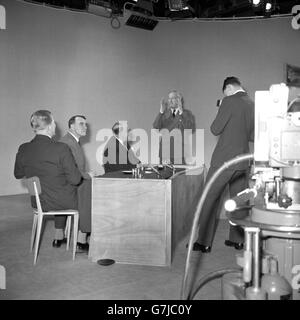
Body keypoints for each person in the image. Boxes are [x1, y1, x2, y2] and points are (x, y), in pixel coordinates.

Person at [193, 76, 254, 253]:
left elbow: (215, 128)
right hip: (243, 161)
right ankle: (238, 240)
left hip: (224, 161)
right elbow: (251, 136)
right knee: (239, 201)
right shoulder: (251, 103)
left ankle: (204, 242)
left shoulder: (228, 101)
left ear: (228, 88)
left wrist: (221, 108)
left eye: (225, 92)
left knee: (209, 199)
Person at [14, 110, 82, 248]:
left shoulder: (23, 148)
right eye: (54, 123)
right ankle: (83, 239)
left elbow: (18, 174)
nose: (55, 126)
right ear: (50, 126)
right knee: (87, 193)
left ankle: (60, 235)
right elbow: (75, 180)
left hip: (39, 202)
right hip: (62, 201)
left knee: (62, 188)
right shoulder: (61, 148)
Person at [60, 115, 92, 252]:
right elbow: (70, 169)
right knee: (90, 190)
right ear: (72, 126)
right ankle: (82, 238)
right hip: (68, 187)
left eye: (85, 124)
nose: (85, 127)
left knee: (90, 186)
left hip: (68, 183)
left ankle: (83, 233)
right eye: (81, 124)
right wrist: (87, 175)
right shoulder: (68, 142)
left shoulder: (72, 141)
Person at [153, 90, 196, 165]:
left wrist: (181, 112)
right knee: (164, 175)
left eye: (173, 98)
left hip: (179, 152)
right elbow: (156, 126)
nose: (170, 100)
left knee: (178, 175)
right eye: (169, 98)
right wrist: (161, 112)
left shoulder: (187, 113)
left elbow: (190, 128)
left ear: (179, 100)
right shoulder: (164, 113)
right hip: (165, 152)